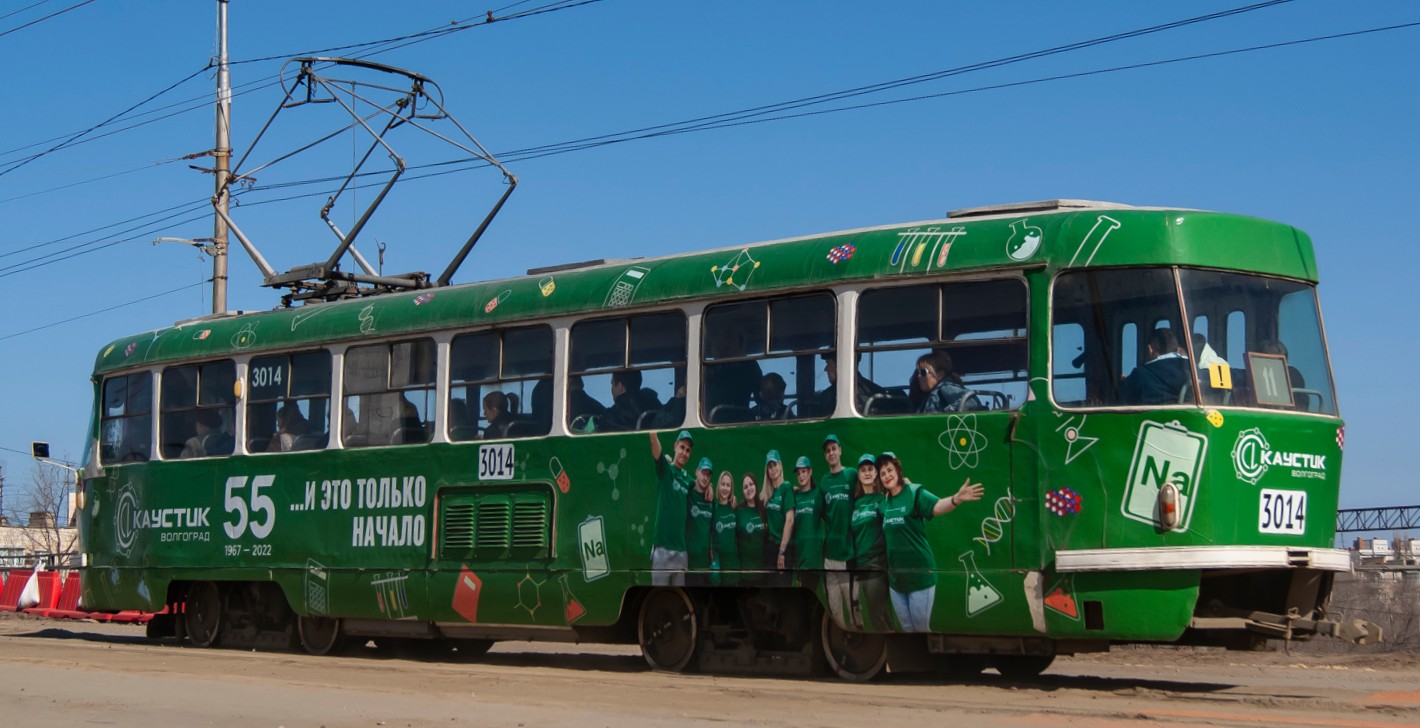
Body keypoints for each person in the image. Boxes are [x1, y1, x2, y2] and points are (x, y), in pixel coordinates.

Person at [877, 452, 984, 632]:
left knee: (921, 631)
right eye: (883, 473)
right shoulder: (884, 504)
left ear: (898, 470)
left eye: (890, 470)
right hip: (897, 582)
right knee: (906, 630)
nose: (887, 475)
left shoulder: (914, 493)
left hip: (920, 577)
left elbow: (937, 506)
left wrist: (956, 499)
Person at [848, 454, 891, 631]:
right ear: (858, 475)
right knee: (880, 614)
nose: (866, 473)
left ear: (876, 474)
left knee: (876, 614)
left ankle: (894, 651)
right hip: (861, 565)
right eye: (863, 470)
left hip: (877, 565)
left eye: (870, 469)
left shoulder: (882, 500)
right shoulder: (856, 503)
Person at [649, 430, 695, 586]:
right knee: (659, 598)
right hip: (662, 550)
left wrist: (709, 488)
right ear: (675, 447)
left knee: (678, 600)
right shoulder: (666, 471)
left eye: (688, 450)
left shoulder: (688, 480)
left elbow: (700, 486)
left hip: (681, 552)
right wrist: (653, 433)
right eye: (682, 447)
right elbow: (655, 447)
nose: (684, 453)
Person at [819, 434, 855, 628]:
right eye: (828, 450)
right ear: (825, 456)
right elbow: (823, 512)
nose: (831, 453)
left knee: (853, 605)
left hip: (848, 554)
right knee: (834, 608)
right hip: (829, 555)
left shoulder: (851, 475)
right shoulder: (824, 482)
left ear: (840, 450)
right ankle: (846, 639)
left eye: (834, 448)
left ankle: (858, 637)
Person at [1118, 328, 1191, 405]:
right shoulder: (1194, 371)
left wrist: (1124, 383)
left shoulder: (1139, 375)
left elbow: (1118, 400)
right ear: (1178, 349)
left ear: (1150, 349)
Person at [780, 456, 825, 580]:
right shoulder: (795, 496)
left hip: (813, 562)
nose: (801, 476)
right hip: (799, 561)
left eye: (804, 471)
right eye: (798, 473)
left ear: (810, 472)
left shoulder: (817, 494)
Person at [762, 450, 795, 580]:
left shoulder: (786, 487)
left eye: (775, 465)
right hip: (770, 548)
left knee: (783, 591)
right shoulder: (768, 494)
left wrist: (782, 551)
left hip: (783, 548)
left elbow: (790, 520)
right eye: (770, 467)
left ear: (780, 465)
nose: (773, 469)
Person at [915, 351, 982, 413]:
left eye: (923, 372)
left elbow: (970, 402)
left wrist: (945, 415)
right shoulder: (929, 397)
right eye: (917, 373)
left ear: (940, 374)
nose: (919, 376)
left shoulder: (946, 387)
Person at [818, 352, 883, 415]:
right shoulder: (878, 390)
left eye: (828, 364)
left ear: (839, 366)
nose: (825, 369)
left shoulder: (829, 395)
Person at [599, 369, 663, 431]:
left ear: (620, 386)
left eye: (612, 384)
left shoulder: (612, 415)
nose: (612, 389)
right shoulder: (655, 405)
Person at [686, 457, 717, 585]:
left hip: (705, 566)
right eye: (703, 473)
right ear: (696, 472)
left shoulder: (711, 501)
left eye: (708, 475)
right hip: (689, 565)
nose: (705, 477)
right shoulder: (688, 493)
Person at [736, 473, 769, 583]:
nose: (749, 488)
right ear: (742, 491)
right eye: (745, 487)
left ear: (756, 486)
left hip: (762, 574)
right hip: (743, 577)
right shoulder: (738, 511)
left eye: (751, 484)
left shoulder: (764, 510)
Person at [712, 471, 740, 586]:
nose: (725, 488)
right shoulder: (713, 506)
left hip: (734, 568)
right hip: (719, 570)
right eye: (723, 484)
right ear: (719, 485)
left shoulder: (733, 507)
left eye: (728, 485)